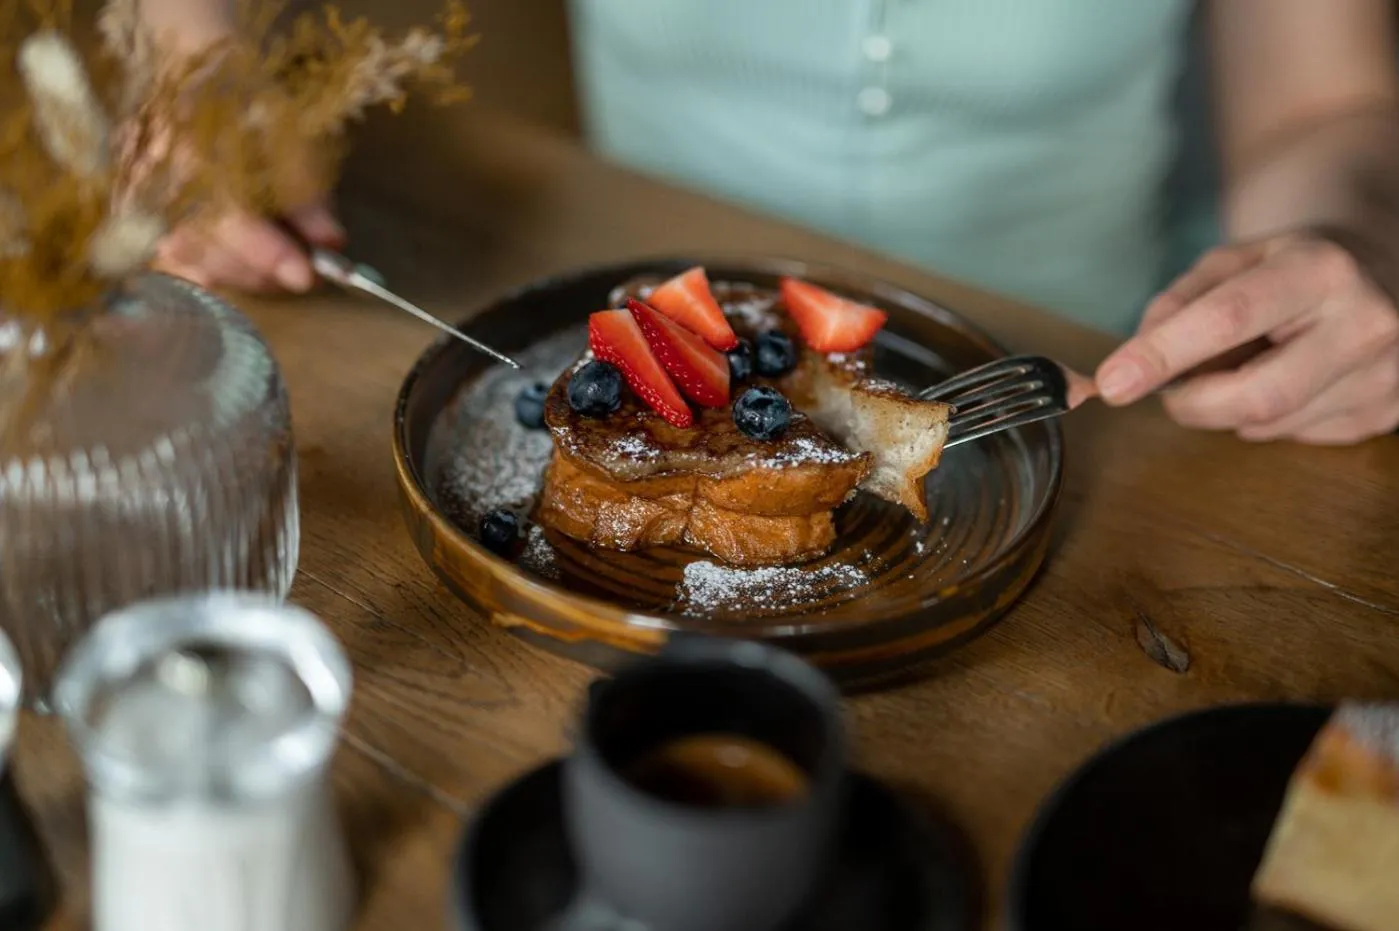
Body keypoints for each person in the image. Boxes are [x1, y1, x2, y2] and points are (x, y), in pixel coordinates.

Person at [145, 0, 1399, 445]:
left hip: (1088, 390)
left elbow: (1323, 107)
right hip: (644, 337)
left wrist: (1350, 250)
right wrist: (202, 69)